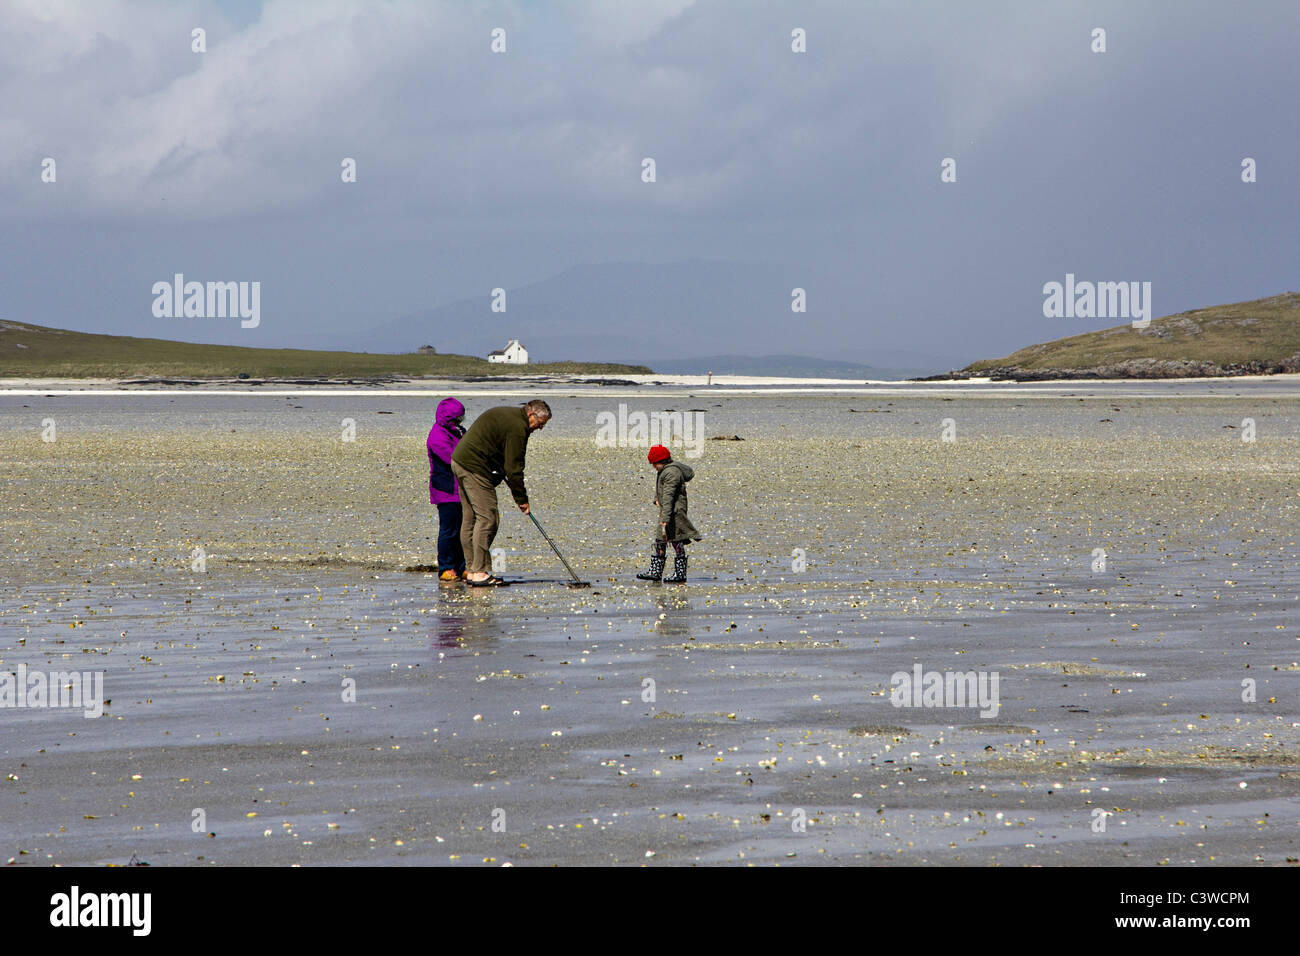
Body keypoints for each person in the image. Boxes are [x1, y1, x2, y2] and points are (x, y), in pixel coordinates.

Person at [451, 399, 551, 586]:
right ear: (531, 414)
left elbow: (496, 451)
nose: (540, 428)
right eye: (540, 423)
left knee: (471, 517)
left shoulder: (510, 415)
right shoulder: (518, 427)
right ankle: (479, 571)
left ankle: (472, 571)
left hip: (460, 461)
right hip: (474, 467)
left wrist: (498, 475)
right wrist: (521, 499)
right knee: (488, 518)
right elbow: (514, 467)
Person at [636, 444, 701, 583]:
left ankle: (680, 574)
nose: (654, 467)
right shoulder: (663, 471)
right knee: (660, 540)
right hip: (667, 510)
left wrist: (665, 518)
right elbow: (660, 491)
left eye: (655, 464)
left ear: (663, 461)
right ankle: (656, 572)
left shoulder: (671, 473)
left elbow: (669, 496)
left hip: (675, 512)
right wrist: (656, 500)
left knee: (677, 540)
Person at [427, 397, 467, 582]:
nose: (460, 422)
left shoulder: (459, 432)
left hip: (462, 489)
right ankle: (446, 567)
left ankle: (462, 566)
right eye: (457, 418)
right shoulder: (437, 436)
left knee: (463, 529)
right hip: (445, 489)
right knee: (449, 530)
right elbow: (453, 459)